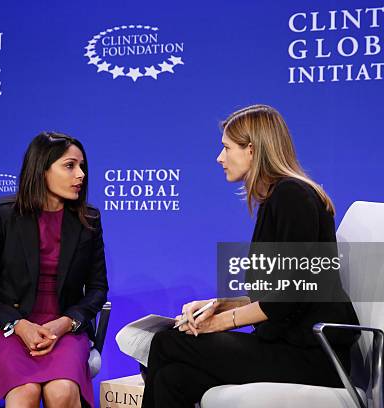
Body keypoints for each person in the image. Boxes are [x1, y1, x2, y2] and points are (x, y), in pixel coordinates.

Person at [141, 104, 361, 407]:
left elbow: (289, 298)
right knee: (173, 379)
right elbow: (282, 293)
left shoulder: (291, 196)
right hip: (287, 346)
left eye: (226, 148)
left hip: (314, 359)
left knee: (167, 342)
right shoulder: (278, 198)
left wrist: (219, 323)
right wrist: (219, 305)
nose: (219, 158)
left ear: (252, 150)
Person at [0, 132, 108, 408]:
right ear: (41, 169)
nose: (81, 174)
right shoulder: (4, 214)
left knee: (62, 391)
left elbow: (98, 289)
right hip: (8, 326)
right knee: (24, 392)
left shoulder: (89, 219)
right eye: (70, 165)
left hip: (63, 327)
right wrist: (18, 324)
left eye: (82, 166)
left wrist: (67, 322)